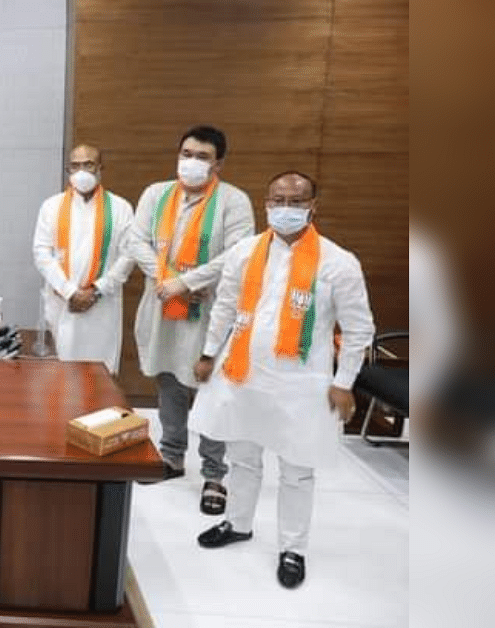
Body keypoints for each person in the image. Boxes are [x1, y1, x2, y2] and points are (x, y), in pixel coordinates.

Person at [190, 171, 374, 588]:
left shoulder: (338, 262)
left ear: (313, 207)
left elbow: (360, 329)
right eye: (278, 200)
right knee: (242, 458)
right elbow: (224, 307)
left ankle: (293, 549)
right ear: (266, 203)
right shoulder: (244, 251)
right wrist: (207, 354)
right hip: (242, 374)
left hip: (301, 384)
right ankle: (237, 524)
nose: (285, 209)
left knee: (297, 470)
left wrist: (343, 382)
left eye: (296, 201)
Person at [124, 125, 256, 514]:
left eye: (202, 156)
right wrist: (169, 281)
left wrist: (188, 281)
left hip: (210, 308)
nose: (192, 162)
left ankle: (215, 472)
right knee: (168, 380)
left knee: (211, 387)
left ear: (219, 163)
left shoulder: (234, 201)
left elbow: (238, 254)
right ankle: (172, 456)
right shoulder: (156, 193)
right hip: (164, 304)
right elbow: (135, 240)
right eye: (187, 153)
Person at [33, 144, 135, 372]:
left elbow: (128, 256)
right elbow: (41, 253)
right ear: (68, 170)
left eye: (88, 164)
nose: (81, 171)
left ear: (100, 168)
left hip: (101, 304)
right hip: (63, 302)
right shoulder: (52, 206)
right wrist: (70, 292)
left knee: (100, 376)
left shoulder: (121, 208)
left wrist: (96, 290)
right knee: (61, 376)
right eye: (75, 165)